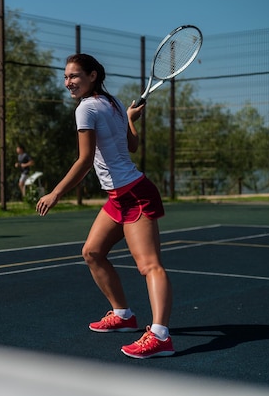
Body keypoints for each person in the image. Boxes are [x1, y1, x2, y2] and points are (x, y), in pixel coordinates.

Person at [36, 53, 175, 359]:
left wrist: (56, 193)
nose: (68, 82)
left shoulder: (87, 108)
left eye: (74, 76)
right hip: (118, 196)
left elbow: (85, 160)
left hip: (135, 194)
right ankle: (123, 315)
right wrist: (129, 119)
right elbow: (132, 145)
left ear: (93, 76)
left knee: (149, 265)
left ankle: (161, 335)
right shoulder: (112, 104)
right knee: (92, 252)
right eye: (66, 77)